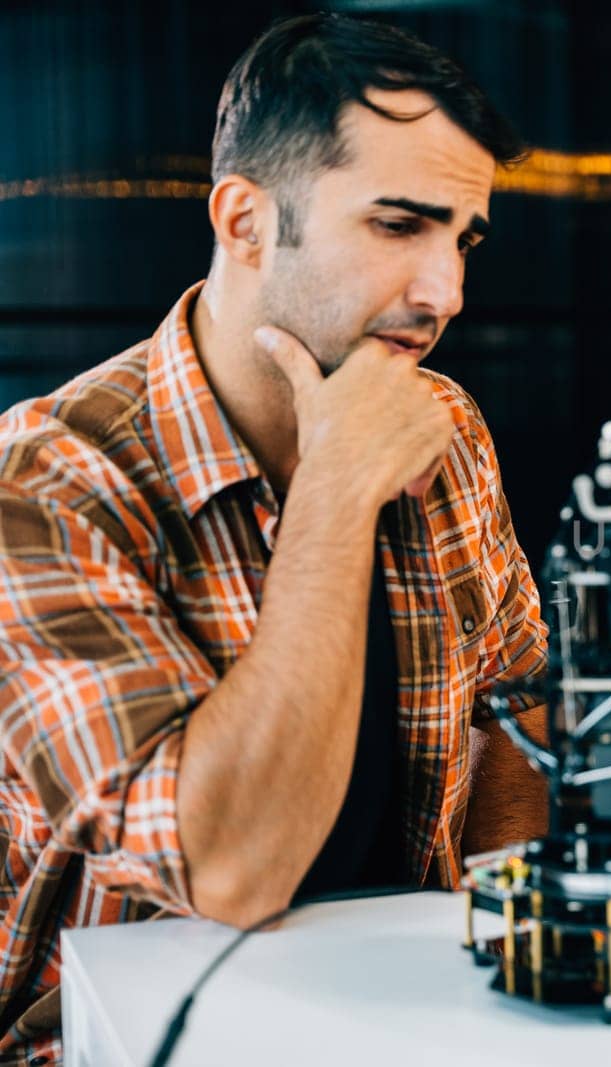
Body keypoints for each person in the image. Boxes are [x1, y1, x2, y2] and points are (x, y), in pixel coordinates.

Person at [0, 16, 548, 1061]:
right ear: (245, 220)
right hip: (121, 1040)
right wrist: (336, 492)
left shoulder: (444, 423)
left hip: (403, 1011)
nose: (447, 292)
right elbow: (230, 870)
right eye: (398, 225)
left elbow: (514, 708)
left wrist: (499, 963)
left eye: (463, 239)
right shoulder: (45, 481)